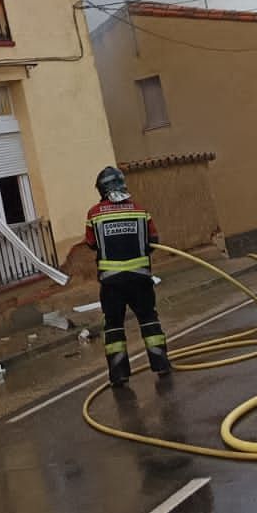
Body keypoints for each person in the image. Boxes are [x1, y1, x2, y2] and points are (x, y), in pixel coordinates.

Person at [84, 165, 171, 386]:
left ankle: (119, 375)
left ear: (101, 189)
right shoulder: (141, 211)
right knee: (149, 320)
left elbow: (91, 244)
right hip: (140, 279)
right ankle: (161, 365)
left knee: (113, 326)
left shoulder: (94, 214)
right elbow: (153, 241)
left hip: (111, 283)